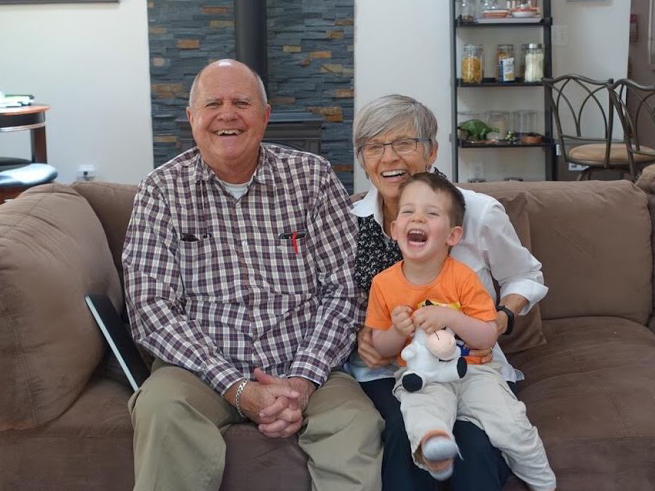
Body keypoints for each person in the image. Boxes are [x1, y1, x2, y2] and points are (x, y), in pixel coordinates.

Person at [122, 59, 383, 491]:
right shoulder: (161, 190)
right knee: (161, 409)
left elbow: (346, 289)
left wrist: (301, 381)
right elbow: (152, 308)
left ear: (265, 115)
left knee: (356, 424)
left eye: (241, 103)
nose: (227, 114)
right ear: (192, 117)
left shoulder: (312, 177)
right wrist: (237, 388)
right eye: (213, 104)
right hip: (200, 373)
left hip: (308, 366)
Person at [346, 94, 549, 491]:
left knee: (474, 446)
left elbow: (525, 275)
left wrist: (501, 318)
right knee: (405, 437)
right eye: (374, 147)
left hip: (470, 362)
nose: (389, 158)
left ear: (432, 151)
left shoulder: (477, 211)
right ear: (363, 159)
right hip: (389, 370)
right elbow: (342, 302)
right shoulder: (349, 221)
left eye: (404, 143)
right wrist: (364, 337)